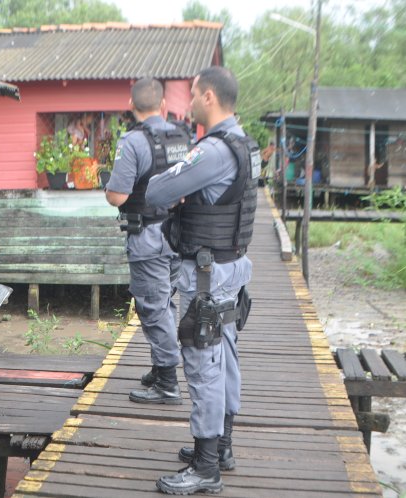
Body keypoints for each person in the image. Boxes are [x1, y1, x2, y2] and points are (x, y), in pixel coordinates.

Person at [145, 66, 258, 495]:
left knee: (203, 364)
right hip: (231, 269)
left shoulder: (212, 151)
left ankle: (206, 467)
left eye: (192, 95)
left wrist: (178, 183)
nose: (187, 103)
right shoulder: (246, 144)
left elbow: (157, 191)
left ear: (209, 97)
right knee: (225, 356)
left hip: (207, 277)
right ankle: (222, 446)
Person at [105, 78, 191, 405]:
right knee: (165, 302)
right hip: (178, 236)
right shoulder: (181, 136)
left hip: (148, 238)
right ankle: (160, 366)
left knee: (153, 308)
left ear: (131, 105)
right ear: (164, 106)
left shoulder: (133, 142)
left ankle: (168, 382)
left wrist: (108, 190)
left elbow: (117, 196)